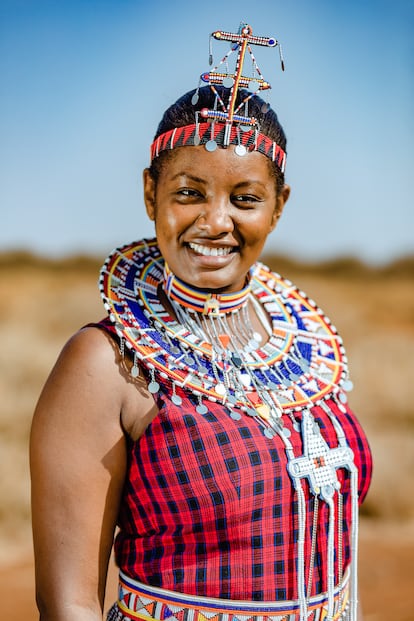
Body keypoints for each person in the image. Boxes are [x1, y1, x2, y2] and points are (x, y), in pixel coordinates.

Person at [30, 23, 372, 621]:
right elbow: (69, 604)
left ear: (279, 206)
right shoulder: (106, 364)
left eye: (245, 198)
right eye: (189, 193)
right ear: (150, 193)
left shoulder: (303, 346)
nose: (215, 222)